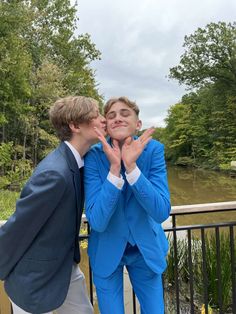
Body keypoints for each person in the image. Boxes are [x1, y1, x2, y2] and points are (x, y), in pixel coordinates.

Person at [0, 96, 106, 314]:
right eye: (96, 115)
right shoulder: (54, 173)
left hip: (66, 267)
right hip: (34, 279)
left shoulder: (79, 161)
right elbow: (19, 227)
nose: (103, 120)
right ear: (75, 126)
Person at [84, 96, 171, 314]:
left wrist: (131, 168)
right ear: (106, 126)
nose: (117, 118)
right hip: (107, 248)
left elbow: (161, 211)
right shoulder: (93, 156)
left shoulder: (153, 151)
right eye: (111, 115)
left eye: (125, 113)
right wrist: (115, 170)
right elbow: (97, 221)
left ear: (138, 124)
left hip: (145, 250)